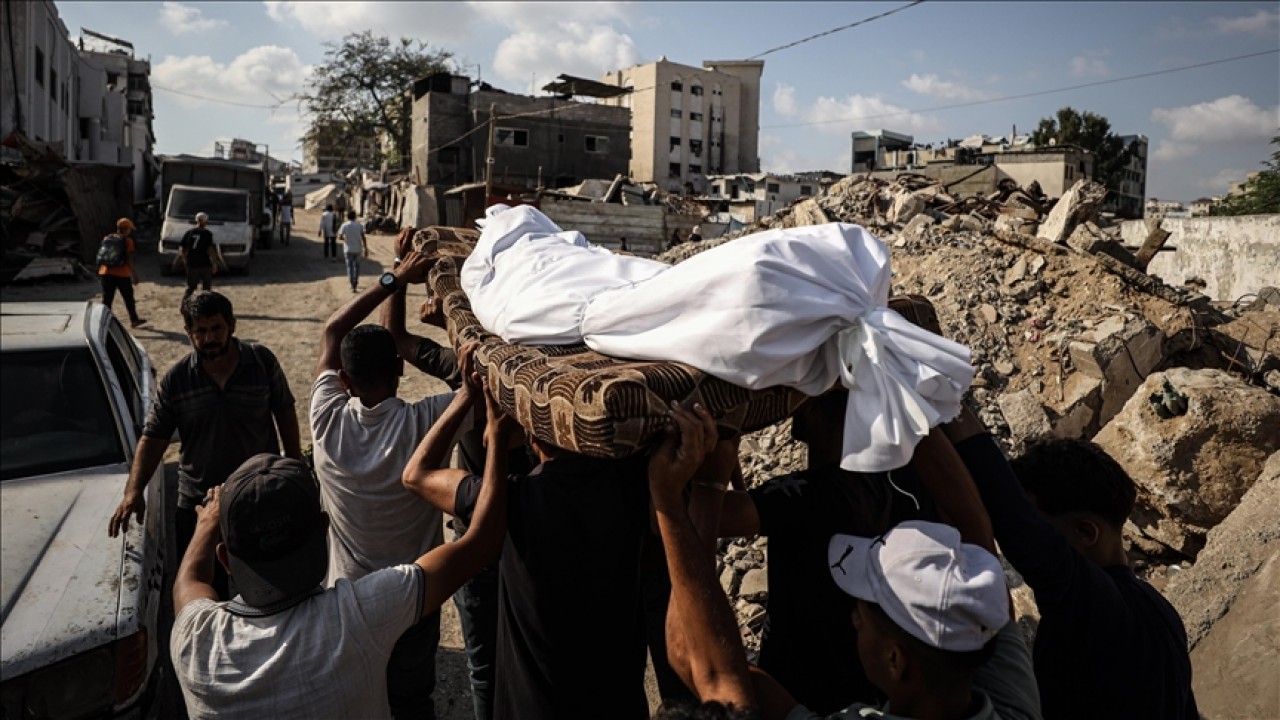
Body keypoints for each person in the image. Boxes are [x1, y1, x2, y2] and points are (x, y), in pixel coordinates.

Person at [650, 404, 1040, 720]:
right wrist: (898, 394)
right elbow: (975, 527)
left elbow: (701, 665)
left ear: (894, 659)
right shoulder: (1008, 698)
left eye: (864, 611)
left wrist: (692, 491)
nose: (853, 617)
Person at [169, 377, 512, 720]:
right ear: (323, 529)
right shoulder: (358, 615)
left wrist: (206, 523)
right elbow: (481, 542)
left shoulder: (196, 643)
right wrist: (494, 437)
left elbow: (189, 580)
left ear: (226, 561)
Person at [403, 388, 653, 719]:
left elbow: (417, 474)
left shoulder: (514, 501)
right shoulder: (636, 490)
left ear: (532, 436)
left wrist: (474, 405)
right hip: (618, 705)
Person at [946, 408, 1199, 718]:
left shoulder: (1092, 605)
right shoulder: (1157, 609)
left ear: (1084, 532)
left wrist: (943, 398)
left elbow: (1011, 515)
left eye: (1041, 524)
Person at [310, 251, 466, 718]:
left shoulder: (325, 420)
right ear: (400, 370)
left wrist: (393, 278)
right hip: (412, 598)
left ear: (344, 380)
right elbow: (474, 380)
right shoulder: (428, 422)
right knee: (412, 700)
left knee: (355, 699)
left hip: (347, 599)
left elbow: (333, 332)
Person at [715, 390, 934, 712]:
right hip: (870, 686)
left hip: (800, 690)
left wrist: (718, 449)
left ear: (813, 408)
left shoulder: (810, 496)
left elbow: (705, 515)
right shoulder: (903, 479)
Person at [108, 291, 302, 600]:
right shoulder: (176, 380)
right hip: (198, 506)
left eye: (216, 328)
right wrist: (133, 492)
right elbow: (153, 438)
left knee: (270, 586)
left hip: (258, 498)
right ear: (188, 332)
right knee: (205, 593)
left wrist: (296, 470)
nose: (209, 337)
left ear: (232, 326)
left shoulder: (261, 362)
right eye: (200, 330)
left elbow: (286, 415)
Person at [97, 217, 146, 328]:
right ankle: (134, 320)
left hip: (106, 272)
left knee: (107, 299)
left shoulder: (107, 237)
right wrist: (134, 274)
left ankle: (103, 322)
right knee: (128, 298)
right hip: (122, 274)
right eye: (130, 229)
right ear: (127, 229)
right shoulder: (127, 241)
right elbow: (128, 258)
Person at [178, 212, 219, 300]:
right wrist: (214, 263)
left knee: (191, 287)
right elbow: (210, 249)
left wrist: (185, 260)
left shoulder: (189, 233)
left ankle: (185, 305)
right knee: (206, 288)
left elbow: (183, 249)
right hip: (204, 263)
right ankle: (204, 306)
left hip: (193, 263)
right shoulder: (207, 234)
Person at [339, 210, 367, 293]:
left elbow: (340, 237)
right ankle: (356, 282)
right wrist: (365, 248)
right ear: (355, 217)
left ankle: (352, 285)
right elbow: (363, 237)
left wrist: (345, 239)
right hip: (358, 249)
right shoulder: (359, 225)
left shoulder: (344, 225)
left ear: (347, 216)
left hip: (348, 249)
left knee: (349, 267)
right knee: (357, 267)